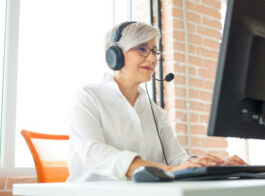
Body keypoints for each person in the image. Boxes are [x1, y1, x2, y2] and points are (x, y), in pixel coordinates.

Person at [67, 21, 246, 182]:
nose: (152, 59)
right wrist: (166, 170)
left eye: (154, 51)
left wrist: (215, 166)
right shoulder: (88, 97)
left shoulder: (154, 111)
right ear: (115, 55)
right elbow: (94, 153)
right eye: (142, 49)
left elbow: (177, 160)